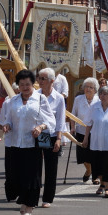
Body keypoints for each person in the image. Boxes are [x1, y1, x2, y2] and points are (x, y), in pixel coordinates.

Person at [0, 69, 54, 215]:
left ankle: (29, 206)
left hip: (32, 144)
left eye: (27, 84)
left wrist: (40, 127)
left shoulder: (41, 99)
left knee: (31, 176)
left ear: (33, 84)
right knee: (14, 176)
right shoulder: (11, 101)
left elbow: (50, 121)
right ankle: (23, 200)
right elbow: (6, 119)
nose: (25, 87)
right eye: (21, 84)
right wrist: (6, 126)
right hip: (14, 143)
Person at [37, 67, 66, 206]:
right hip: (38, 134)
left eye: (43, 78)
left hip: (52, 134)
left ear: (51, 81)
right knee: (35, 166)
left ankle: (48, 198)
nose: (40, 81)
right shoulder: (35, 95)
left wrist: (59, 138)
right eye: (39, 78)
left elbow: (60, 119)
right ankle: (32, 195)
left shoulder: (59, 98)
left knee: (50, 167)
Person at [71, 78, 100, 183]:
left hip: (95, 131)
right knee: (83, 156)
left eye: (91, 87)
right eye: (86, 87)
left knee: (94, 155)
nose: (88, 89)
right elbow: (73, 114)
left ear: (95, 90)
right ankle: (89, 170)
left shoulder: (99, 100)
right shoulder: (78, 99)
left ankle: (95, 176)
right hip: (81, 131)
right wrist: (73, 127)